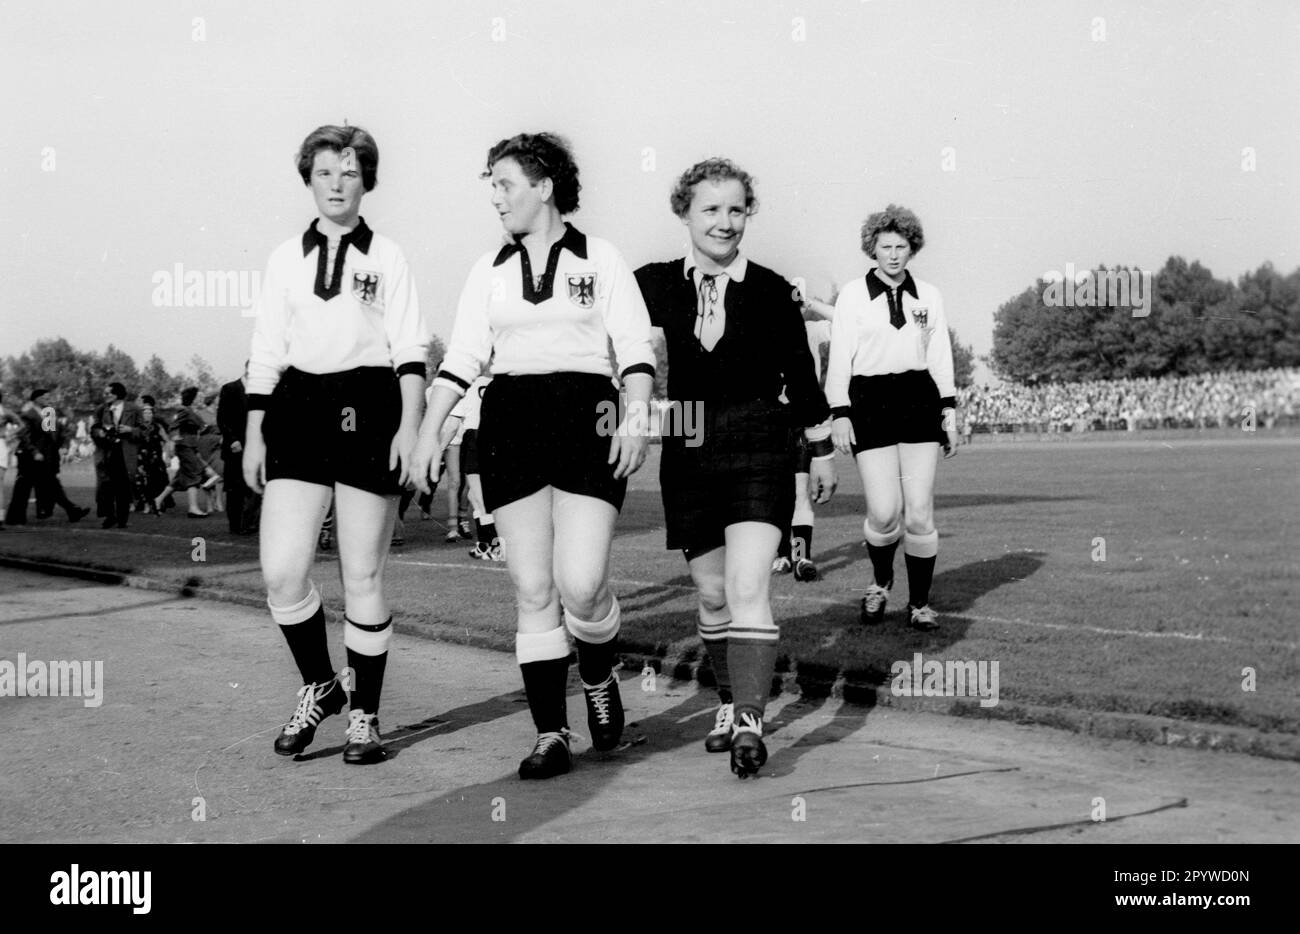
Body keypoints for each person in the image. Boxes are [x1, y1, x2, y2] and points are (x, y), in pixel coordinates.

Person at [412, 132, 655, 780]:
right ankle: (552, 733)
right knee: (532, 586)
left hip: (586, 418)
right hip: (512, 421)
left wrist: (635, 418)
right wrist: (428, 431)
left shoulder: (600, 258)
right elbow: (462, 359)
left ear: (544, 186)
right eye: (490, 185)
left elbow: (634, 350)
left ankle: (600, 677)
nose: (494, 197)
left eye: (504, 183)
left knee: (580, 583)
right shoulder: (487, 269)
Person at [634, 158, 836, 778]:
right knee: (713, 593)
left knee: (750, 587)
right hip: (688, 439)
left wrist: (822, 448)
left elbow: (802, 377)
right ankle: (730, 700)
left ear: (749, 214)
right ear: (685, 214)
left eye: (736, 210)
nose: (724, 223)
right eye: (710, 210)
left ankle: (750, 718)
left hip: (759, 441)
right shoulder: (652, 282)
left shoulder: (774, 290)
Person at [243, 123, 428, 765]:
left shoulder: (390, 256)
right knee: (282, 570)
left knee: (362, 570)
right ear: (309, 179)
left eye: (348, 172)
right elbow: (266, 352)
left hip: (369, 404)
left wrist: (409, 425)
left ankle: (365, 718)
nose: (336, 184)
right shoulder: (283, 258)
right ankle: (321, 684)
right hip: (298, 407)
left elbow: (409, 350)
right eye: (324, 172)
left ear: (365, 179)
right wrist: (252, 433)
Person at [825, 204, 959, 632]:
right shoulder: (851, 294)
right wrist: (840, 413)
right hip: (869, 401)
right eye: (886, 246)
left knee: (919, 512)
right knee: (884, 512)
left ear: (912, 247)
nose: (894, 254)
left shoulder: (930, 295)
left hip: (918, 399)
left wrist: (949, 412)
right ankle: (881, 581)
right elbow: (840, 358)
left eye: (901, 246)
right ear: (873, 249)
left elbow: (940, 357)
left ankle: (919, 603)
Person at [773, 296, 835, 582]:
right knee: (774, 494)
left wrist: (811, 302)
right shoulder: (766, 332)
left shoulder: (811, 329)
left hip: (803, 417)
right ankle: (782, 555)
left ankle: (801, 557)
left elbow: (844, 320)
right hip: (772, 421)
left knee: (799, 492)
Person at [4, 389, 89, 526]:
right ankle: (71, 510)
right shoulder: (29, 414)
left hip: (45, 458)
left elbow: (54, 435)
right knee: (28, 487)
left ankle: (71, 510)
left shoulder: (48, 414)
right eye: (46, 397)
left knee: (48, 485)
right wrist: (34, 452)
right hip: (30, 457)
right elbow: (24, 436)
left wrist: (62, 445)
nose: (49, 399)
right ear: (37, 399)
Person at [91, 382, 143, 529]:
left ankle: (122, 519)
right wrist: (99, 433)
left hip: (126, 453)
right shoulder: (101, 410)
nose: (104, 396)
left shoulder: (134, 409)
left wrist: (130, 430)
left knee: (123, 486)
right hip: (106, 452)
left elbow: (145, 431)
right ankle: (109, 516)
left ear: (117, 394)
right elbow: (93, 429)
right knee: (105, 486)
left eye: (108, 393)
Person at [154, 387, 210, 518]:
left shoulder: (189, 411)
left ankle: (158, 500)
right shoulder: (184, 411)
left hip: (190, 446)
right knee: (195, 472)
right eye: (198, 397)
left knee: (180, 478)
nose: (199, 399)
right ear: (193, 398)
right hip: (185, 446)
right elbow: (173, 425)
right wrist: (174, 437)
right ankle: (193, 508)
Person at [218, 366, 261, 534]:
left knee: (254, 487)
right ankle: (235, 525)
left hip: (255, 447)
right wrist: (232, 440)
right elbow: (222, 418)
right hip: (235, 448)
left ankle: (250, 523)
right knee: (235, 488)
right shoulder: (230, 389)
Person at [134, 400, 170, 515]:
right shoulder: (136, 428)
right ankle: (146, 504)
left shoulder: (157, 427)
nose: (148, 415)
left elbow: (166, 441)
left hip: (155, 459)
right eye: (145, 413)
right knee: (142, 482)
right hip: (141, 459)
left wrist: (168, 456)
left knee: (158, 481)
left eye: (150, 413)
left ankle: (158, 504)